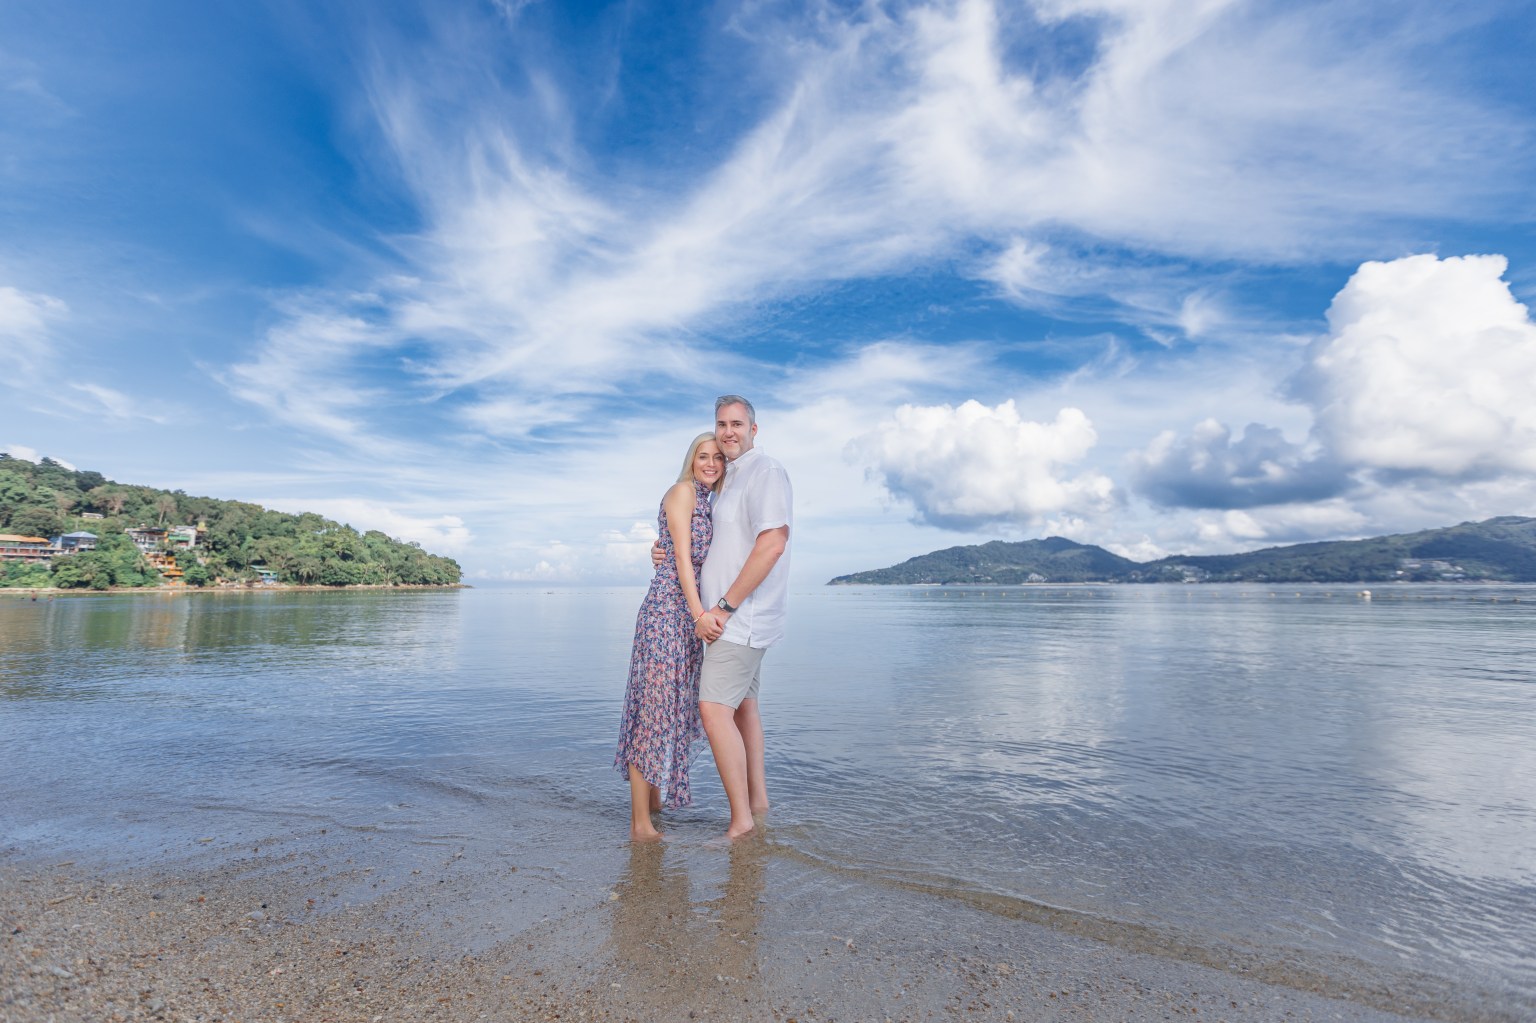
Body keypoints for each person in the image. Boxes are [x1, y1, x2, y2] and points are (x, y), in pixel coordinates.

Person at [614, 432, 726, 841]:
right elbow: (680, 555)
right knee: (652, 712)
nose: (711, 463)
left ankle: (654, 803)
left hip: (684, 614)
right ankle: (640, 824)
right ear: (691, 459)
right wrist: (698, 613)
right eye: (703, 456)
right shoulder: (682, 492)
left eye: (718, 457)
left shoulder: (710, 503)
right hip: (667, 612)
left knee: (668, 710)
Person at [691, 395, 792, 840]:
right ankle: (757, 804)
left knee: (713, 709)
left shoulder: (766, 471)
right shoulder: (731, 477)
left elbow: (772, 544)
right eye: (721, 424)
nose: (728, 431)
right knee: (745, 711)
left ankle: (741, 823)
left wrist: (725, 607)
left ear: (754, 428)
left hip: (740, 618)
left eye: (737, 423)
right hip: (732, 619)